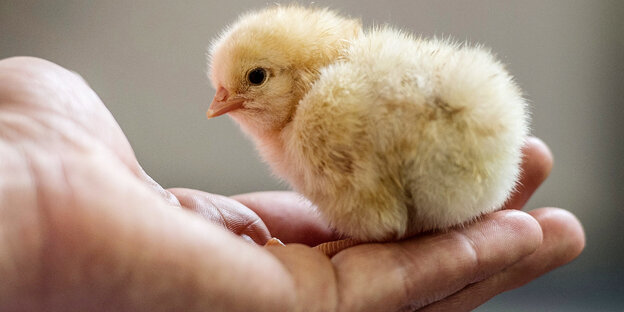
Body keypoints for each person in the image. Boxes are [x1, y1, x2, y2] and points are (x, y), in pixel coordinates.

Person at [0, 56, 584, 311]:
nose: (224, 100)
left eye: (251, 79)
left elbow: (376, 215)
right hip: (478, 175)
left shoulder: (322, 112)